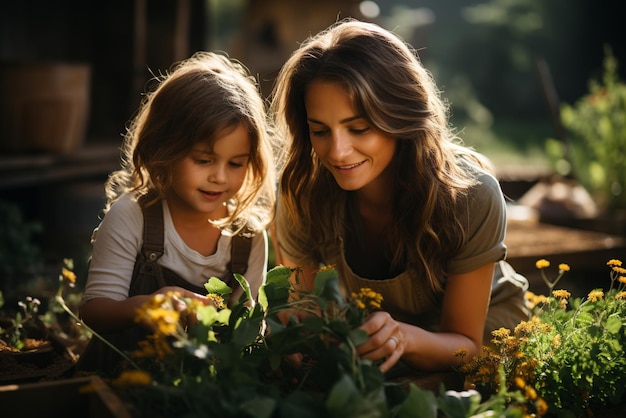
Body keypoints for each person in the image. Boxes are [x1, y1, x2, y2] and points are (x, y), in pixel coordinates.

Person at [270, 19, 529, 375]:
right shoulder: (302, 193)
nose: (339, 151)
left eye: (358, 128)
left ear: (400, 117)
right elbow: (316, 317)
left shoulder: (471, 196)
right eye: (320, 130)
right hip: (375, 346)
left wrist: (403, 339)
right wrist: (299, 333)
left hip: (478, 337)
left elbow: (466, 345)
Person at [78, 51, 277, 373]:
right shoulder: (133, 216)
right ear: (163, 148)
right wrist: (149, 305)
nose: (220, 177)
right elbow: (95, 311)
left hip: (203, 385)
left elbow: (248, 327)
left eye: (236, 163)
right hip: (123, 376)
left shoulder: (247, 235)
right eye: (203, 160)